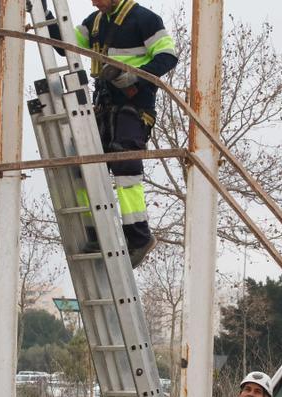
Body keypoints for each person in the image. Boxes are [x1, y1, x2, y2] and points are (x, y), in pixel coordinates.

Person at [52, 0, 177, 267]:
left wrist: (133, 75)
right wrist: (44, 14)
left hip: (134, 105)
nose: (94, 2)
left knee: (126, 165)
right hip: (104, 105)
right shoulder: (95, 22)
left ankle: (139, 237)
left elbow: (167, 56)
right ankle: (94, 233)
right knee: (82, 167)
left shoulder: (144, 19)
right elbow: (63, 45)